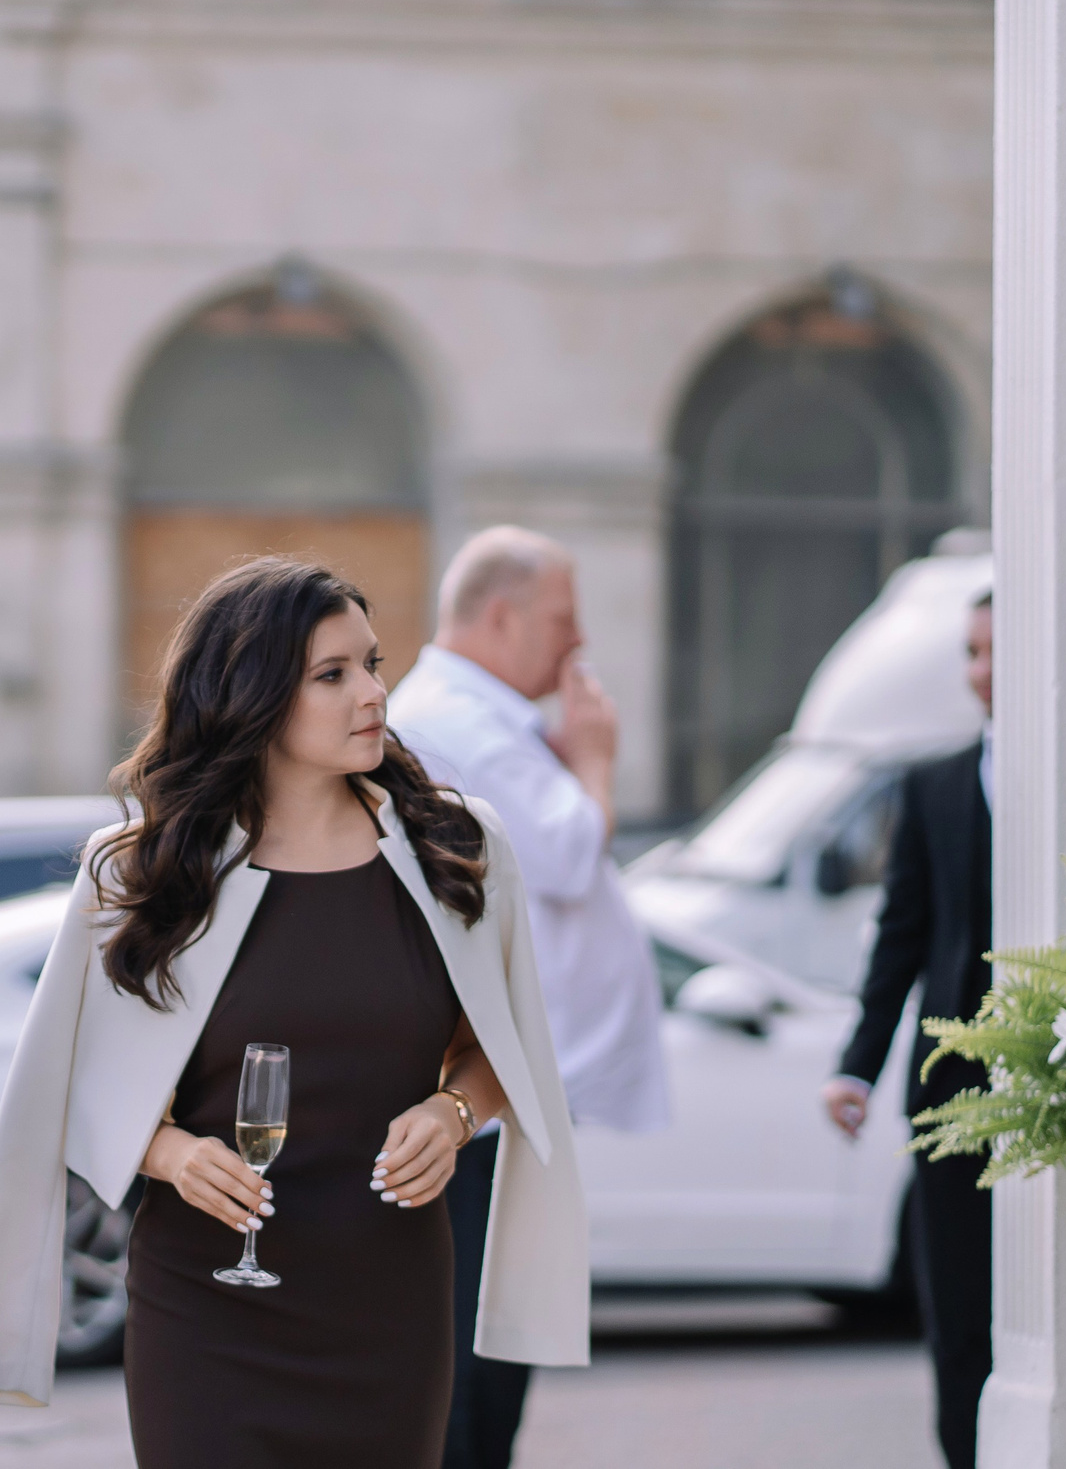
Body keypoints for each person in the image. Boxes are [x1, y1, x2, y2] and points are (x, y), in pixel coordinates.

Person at [0, 557, 589, 1466]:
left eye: (373, 664)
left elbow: (502, 1052)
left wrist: (454, 1112)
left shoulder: (458, 847)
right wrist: (170, 1153)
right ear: (252, 696)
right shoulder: (138, 871)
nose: (372, 693)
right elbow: (67, 1080)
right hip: (204, 1305)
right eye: (333, 675)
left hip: (390, 1301)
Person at [384, 526, 670, 1469]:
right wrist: (593, 761)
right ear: (500, 616)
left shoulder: (490, 722)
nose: (578, 639)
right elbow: (567, 850)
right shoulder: (458, 721)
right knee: (476, 1355)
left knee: (498, 1346)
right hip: (479, 1101)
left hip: (506, 1094)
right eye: (562, 616)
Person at [821, 590, 994, 1469]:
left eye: (995, 652)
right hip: (951, 1096)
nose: (981, 672)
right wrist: (856, 1069)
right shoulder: (934, 786)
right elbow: (901, 937)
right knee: (958, 1315)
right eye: (970, 653)